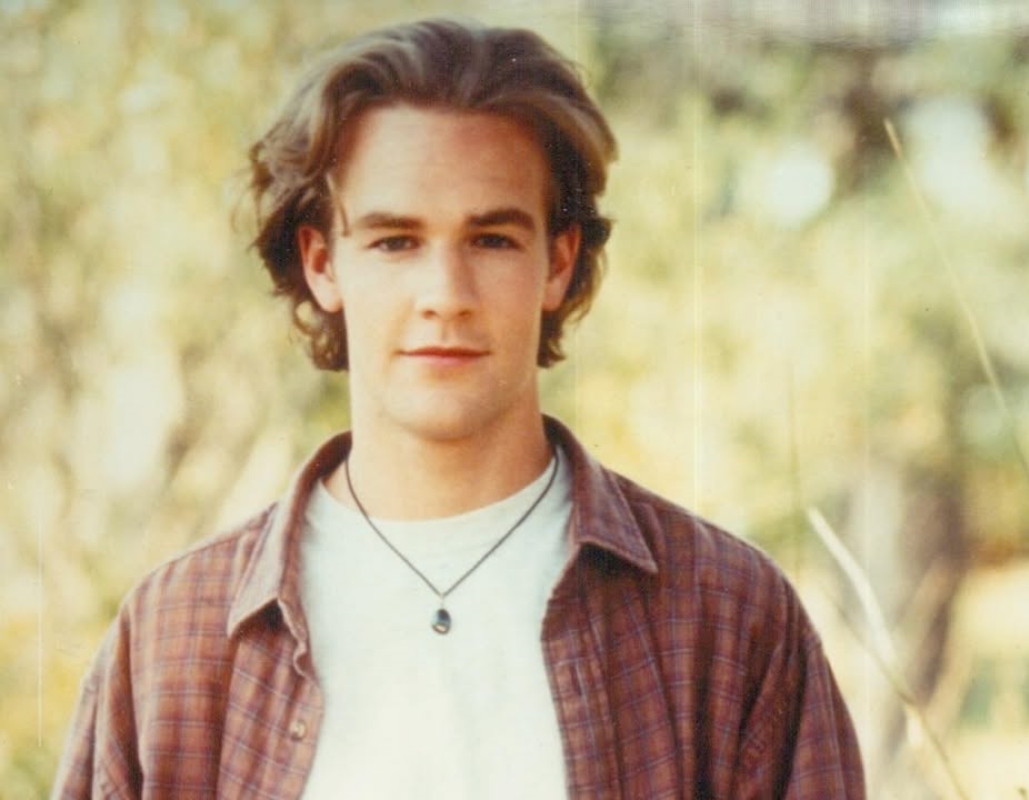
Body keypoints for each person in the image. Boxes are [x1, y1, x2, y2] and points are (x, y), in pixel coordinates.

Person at [53, 18, 864, 799]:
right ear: (322, 263)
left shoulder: (726, 616)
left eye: (492, 239)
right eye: (395, 241)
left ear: (558, 262)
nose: (445, 294)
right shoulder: (174, 638)